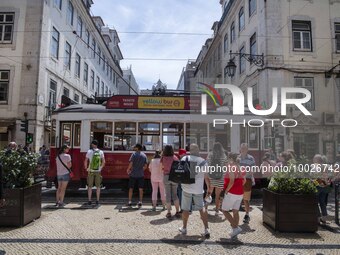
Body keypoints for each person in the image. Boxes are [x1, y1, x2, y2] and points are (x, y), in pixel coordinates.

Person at [179, 144, 211, 238]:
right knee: (202, 208)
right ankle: (206, 229)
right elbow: (206, 178)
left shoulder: (184, 159)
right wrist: (209, 189)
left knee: (185, 208)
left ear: (190, 150)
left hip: (186, 188)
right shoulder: (203, 161)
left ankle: (184, 228)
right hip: (198, 189)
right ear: (198, 150)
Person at [221, 152, 246, 238]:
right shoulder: (241, 167)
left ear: (230, 159)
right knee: (235, 211)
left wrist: (227, 190)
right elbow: (244, 181)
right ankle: (235, 230)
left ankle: (235, 228)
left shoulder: (230, 167)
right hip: (240, 193)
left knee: (224, 210)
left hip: (232, 192)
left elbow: (231, 180)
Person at [206, 142, 228, 216]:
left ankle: (205, 208)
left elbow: (207, 165)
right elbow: (225, 167)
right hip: (220, 178)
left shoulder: (210, 154)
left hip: (211, 177)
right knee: (217, 195)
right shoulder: (224, 155)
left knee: (209, 192)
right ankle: (217, 210)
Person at [161, 144, 180, 219]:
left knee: (168, 195)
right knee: (175, 195)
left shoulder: (163, 158)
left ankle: (169, 212)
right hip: (174, 177)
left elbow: (161, 167)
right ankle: (177, 211)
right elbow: (178, 166)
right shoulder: (175, 157)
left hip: (166, 176)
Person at [84, 140, 105, 206]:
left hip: (91, 171)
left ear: (93, 144)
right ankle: (97, 200)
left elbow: (85, 161)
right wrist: (100, 168)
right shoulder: (101, 152)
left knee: (89, 187)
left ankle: (89, 200)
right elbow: (104, 162)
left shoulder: (89, 151)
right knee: (98, 187)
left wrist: (86, 168)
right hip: (98, 171)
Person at [126, 143, 148, 208]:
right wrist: (141, 170)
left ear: (137, 148)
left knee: (131, 188)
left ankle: (129, 202)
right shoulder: (144, 155)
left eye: (135, 147)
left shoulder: (134, 154)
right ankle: (140, 202)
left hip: (133, 174)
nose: (134, 148)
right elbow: (145, 166)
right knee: (141, 189)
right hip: (141, 174)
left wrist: (128, 169)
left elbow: (131, 163)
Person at [239, 143, 255, 224]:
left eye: (245, 148)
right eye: (242, 148)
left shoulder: (251, 158)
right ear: (240, 149)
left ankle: (247, 215)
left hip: (247, 180)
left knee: (246, 199)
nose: (243, 150)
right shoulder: (237, 158)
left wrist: (245, 174)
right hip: (238, 180)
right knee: (237, 198)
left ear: (247, 149)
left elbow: (253, 170)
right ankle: (236, 216)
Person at [313, 154, 331, 224]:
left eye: (314, 159)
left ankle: (318, 218)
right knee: (322, 202)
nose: (313, 160)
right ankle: (324, 218)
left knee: (316, 202)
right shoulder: (326, 166)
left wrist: (314, 182)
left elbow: (315, 177)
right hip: (325, 186)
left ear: (317, 160)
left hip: (318, 186)